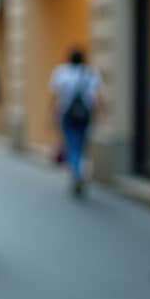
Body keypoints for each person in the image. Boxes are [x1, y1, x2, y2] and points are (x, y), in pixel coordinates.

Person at [49, 48, 102, 196]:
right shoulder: (91, 73)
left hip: (67, 114)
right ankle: (80, 171)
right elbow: (97, 98)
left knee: (72, 145)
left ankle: (77, 174)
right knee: (81, 146)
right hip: (85, 115)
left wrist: (52, 115)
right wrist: (99, 116)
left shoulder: (62, 73)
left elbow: (55, 96)